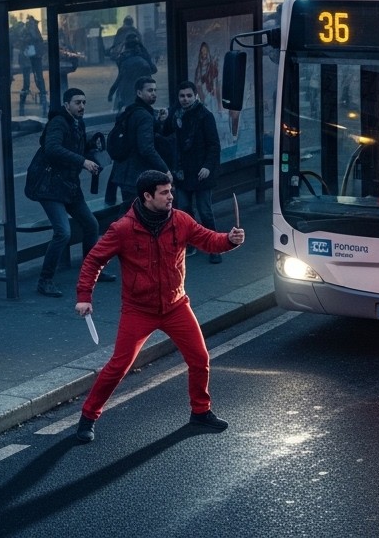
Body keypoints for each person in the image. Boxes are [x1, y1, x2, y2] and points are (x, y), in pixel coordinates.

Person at [71, 170, 244, 444]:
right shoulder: (123, 229)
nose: (170, 196)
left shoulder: (181, 220)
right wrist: (84, 296)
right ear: (147, 196)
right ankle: (88, 417)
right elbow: (94, 260)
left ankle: (200, 412)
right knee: (118, 366)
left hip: (176, 305)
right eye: (164, 193)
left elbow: (208, 239)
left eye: (170, 191)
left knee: (200, 358)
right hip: (138, 310)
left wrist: (229, 240)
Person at [26, 88, 104, 298]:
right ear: (66, 104)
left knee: (91, 224)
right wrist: (82, 161)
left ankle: (90, 272)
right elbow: (52, 148)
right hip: (50, 186)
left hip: (68, 186)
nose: (82, 106)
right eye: (77, 102)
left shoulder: (78, 122)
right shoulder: (59, 122)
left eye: (84, 102)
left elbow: (75, 148)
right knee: (63, 232)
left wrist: (90, 148)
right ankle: (45, 280)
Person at [162, 81, 221, 263]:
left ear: (195, 96)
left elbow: (214, 145)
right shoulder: (176, 114)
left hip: (201, 171)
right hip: (182, 171)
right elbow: (166, 132)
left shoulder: (205, 116)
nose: (185, 99)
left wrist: (207, 166)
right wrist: (164, 119)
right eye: (182, 96)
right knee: (184, 209)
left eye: (189, 96)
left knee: (205, 211)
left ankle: (214, 247)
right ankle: (191, 243)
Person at [110, 76, 171, 208]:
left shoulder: (131, 110)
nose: (153, 93)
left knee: (133, 211)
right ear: (139, 93)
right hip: (135, 174)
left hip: (125, 173)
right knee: (133, 212)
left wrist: (159, 122)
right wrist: (165, 170)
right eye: (149, 90)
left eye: (155, 90)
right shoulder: (144, 115)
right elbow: (146, 148)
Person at [108, 31, 154, 113]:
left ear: (126, 46)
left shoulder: (123, 59)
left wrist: (111, 92)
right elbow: (153, 70)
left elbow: (119, 78)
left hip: (128, 91)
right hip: (140, 91)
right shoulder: (143, 58)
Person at [17, 15, 48, 116]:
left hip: (32, 57)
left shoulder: (29, 30)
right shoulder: (30, 30)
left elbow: (37, 42)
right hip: (32, 57)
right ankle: (41, 98)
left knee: (34, 79)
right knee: (33, 80)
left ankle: (41, 98)